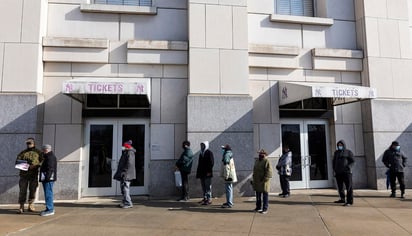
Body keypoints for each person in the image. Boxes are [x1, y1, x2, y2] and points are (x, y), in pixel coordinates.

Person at [15, 138, 44, 214]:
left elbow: (43, 160)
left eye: (30, 143)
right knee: (22, 191)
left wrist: (36, 165)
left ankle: (31, 205)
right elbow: (17, 162)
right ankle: (21, 206)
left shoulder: (38, 152)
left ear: (34, 143)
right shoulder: (23, 153)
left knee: (33, 190)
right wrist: (26, 165)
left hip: (33, 175)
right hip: (24, 175)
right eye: (27, 143)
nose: (28, 145)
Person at [113, 140, 136, 208]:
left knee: (125, 188)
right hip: (124, 173)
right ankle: (125, 201)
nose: (122, 147)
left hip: (126, 174)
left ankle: (128, 203)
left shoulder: (129, 152)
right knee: (123, 188)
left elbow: (129, 164)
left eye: (124, 146)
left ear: (127, 146)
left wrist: (124, 172)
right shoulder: (126, 152)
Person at [332, 140, 355, 206]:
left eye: (341, 145)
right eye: (339, 145)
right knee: (340, 187)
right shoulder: (336, 153)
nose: (340, 146)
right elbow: (334, 162)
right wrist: (334, 170)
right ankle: (342, 199)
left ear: (343, 145)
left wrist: (349, 167)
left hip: (347, 173)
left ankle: (349, 201)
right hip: (338, 173)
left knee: (349, 187)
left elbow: (353, 161)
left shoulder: (348, 152)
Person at [252, 149, 273, 214]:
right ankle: (258, 207)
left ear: (265, 154)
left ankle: (265, 209)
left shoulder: (267, 161)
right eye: (259, 153)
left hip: (264, 182)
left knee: (265, 196)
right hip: (257, 181)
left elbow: (269, 172)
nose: (260, 154)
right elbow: (254, 170)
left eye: (262, 153)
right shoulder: (257, 161)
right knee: (258, 196)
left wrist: (265, 179)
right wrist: (253, 178)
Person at [39, 144, 57, 216]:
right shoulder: (48, 156)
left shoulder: (50, 157)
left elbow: (50, 169)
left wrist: (47, 178)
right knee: (48, 193)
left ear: (46, 150)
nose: (42, 152)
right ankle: (49, 208)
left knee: (48, 194)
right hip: (48, 179)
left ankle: (50, 209)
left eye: (43, 150)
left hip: (48, 179)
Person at [196, 141, 214, 205]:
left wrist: (209, 171)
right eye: (201, 145)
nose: (202, 147)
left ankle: (209, 199)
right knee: (203, 186)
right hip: (202, 173)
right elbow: (199, 164)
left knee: (208, 186)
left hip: (207, 173)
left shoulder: (209, 153)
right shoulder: (201, 153)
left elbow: (211, 163)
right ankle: (205, 198)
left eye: (203, 145)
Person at [221, 144, 237, 208]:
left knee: (228, 189)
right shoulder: (230, 154)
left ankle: (229, 203)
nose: (223, 150)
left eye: (223, 149)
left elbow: (226, 166)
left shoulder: (226, 155)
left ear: (226, 149)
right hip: (230, 174)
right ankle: (229, 202)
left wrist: (226, 176)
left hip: (228, 175)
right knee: (229, 188)